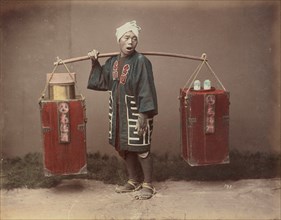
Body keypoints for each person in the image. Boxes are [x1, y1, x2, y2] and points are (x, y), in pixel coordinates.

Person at [87, 20, 158, 200]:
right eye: (126, 37)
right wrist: (95, 62)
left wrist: (143, 114)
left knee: (141, 147)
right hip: (118, 112)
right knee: (123, 147)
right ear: (119, 40)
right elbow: (101, 81)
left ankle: (148, 184)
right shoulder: (112, 62)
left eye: (134, 39)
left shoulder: (141, 61)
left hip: (136, 111)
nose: (130, 42)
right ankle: (134, 180)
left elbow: (146, 87)